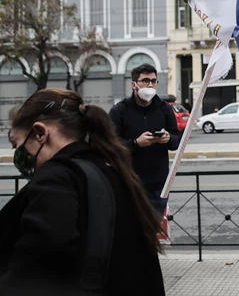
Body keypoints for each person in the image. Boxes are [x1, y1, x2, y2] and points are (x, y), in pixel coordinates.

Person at [0, 89, 164, 295]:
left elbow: (34, 271)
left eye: (18, 145)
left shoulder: (57, 178)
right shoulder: (111, 170)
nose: (19, 156)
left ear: (40, 133)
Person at [109, 63, 181, 216]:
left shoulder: (164, 108)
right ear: (134, 84)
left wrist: (168, 139)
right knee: (131, 230)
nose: (150, 85)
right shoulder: (120, 110)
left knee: (153, 229)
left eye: (153, 81)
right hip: (130, 182)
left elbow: (176, 141)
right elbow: (110, 146)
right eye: (145, 81)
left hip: (159, 184)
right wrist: (136, 143)